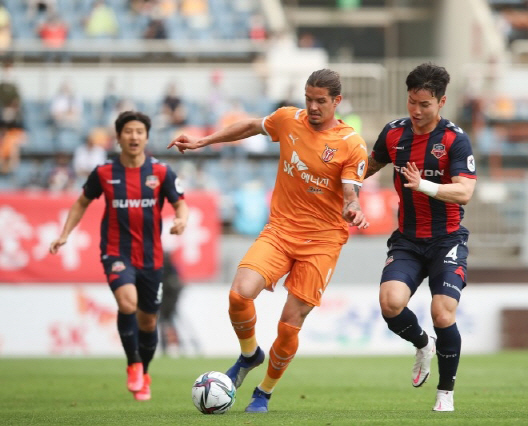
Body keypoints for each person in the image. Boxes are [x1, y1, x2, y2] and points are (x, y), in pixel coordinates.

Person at [168, 69, 369, 413]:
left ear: (337, 101)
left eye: (321, 101)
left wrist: (354, 208)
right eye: (309, 99)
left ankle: (264, 391)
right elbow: (250, 126)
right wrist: (205, 141)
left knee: (289, 326)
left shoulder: (351, 143)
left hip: (322, 242)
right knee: (238, 294)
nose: (313, 107)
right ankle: (250, 355)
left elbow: (351, 192)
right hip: (280, 230)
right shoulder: (288, 119)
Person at [50, 111, 189, 401]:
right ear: (118, 137)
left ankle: (144, 372)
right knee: (127, 303)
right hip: (116, 251)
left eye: (139, 131)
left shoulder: (161, 172)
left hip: (151, 258)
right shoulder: (104, 173)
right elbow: (81, 203)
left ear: (146, 137)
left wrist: (181, 220)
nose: (134, 136)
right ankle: (133, 364)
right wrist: (65, 234)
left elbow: (180, 204)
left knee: (148, 322)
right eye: (128, 131)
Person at [365, 63, 477, 412]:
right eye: (412, 102)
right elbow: (368, 166)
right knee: (390, 303)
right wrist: (340, 182)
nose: (416, 110)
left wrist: (424, 185)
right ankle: (422, 342)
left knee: (442, 313)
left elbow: (464, 192)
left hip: (447, 239)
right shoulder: (394, 133)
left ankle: (445, 393)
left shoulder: (454, 140)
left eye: (424, 104)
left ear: (441, 102)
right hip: (408, 240)